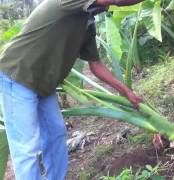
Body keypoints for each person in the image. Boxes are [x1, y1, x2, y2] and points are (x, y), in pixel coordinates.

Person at [0, 0, 144, 179]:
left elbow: (96, 65)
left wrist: (126, 91)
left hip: (44, 83)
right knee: (27, 148)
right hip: (17, 75)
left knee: (56, 134)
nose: (106, 9)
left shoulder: (86, 21)